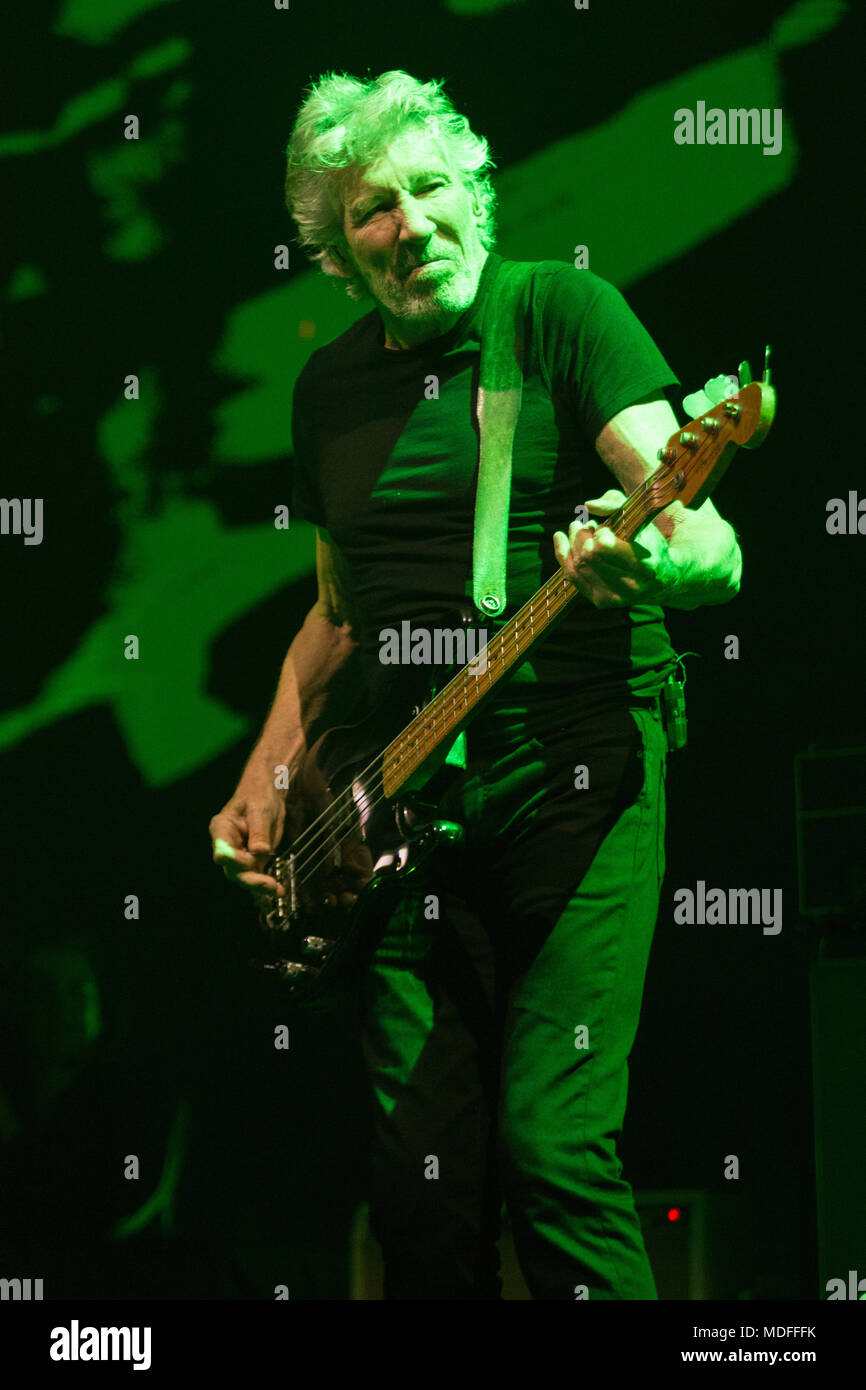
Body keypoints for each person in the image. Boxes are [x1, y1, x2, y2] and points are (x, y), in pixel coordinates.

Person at [208, 70, 741, 1300]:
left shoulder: (560, 314)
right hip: (400, 802)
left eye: (427, 189)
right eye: (369, 211)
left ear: (480, 195)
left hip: (574, 774)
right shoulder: (328, 387)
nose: (406, 226)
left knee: (552, 1152)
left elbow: (698, 533)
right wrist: (268, 774)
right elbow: (338, 612)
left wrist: (660, 555)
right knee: (420, 1188)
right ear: (338, 251)